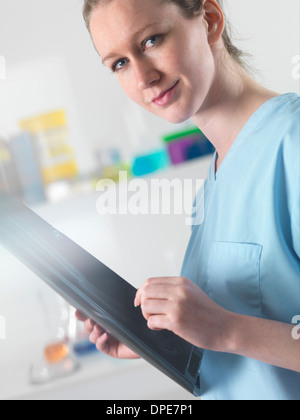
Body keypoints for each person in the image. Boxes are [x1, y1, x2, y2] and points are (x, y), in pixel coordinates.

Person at [76, 0, 300, 400]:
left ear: (210, 20)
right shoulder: (215, 180)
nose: (143, 76)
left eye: (151, 40)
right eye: (120, 64)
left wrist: (226, 329)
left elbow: (230, 329)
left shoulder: (292, 142)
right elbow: (243, 342)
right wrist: (154, 340)